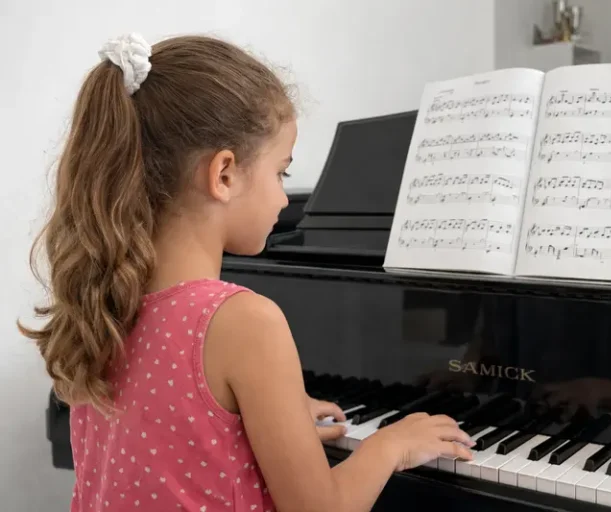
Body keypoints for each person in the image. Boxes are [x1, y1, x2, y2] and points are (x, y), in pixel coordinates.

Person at [19, 33, 474, 512]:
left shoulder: (104, 300)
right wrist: (390, 446)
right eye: (281, 172)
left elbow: (177, 422)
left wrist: (277, 414)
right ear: (224, 174)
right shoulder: (243, 321)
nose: (285, 198)